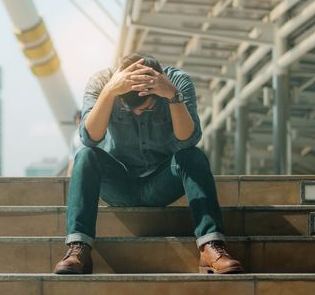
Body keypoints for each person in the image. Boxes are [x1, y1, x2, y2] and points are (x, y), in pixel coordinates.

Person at [53, 52, 243, 275]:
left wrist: (172, 95)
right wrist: (110, 92)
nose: (137, 112)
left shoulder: (176, 81)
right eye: (129, 108)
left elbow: (188, 139)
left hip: (162, 181)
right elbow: (89, 138)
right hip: (119, 183)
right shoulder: (101, 83)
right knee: (86, 155)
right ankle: (79, 248)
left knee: (193, 155)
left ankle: (211, 246)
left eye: (146, 106)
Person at [66, 110, 83, 176]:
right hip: (76, 165)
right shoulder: (75, 134)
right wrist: (69, 173)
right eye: (77, 119)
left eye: (80, 119)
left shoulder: (90, 133)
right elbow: (71, 155)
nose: (78, 121)